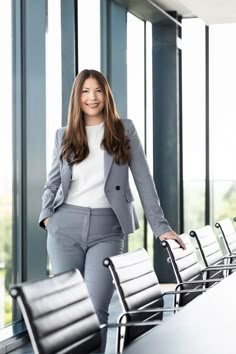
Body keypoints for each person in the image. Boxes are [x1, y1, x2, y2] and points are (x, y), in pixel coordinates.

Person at [39, 69, 185, 351]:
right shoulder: (64, 134)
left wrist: (161, 227)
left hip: (108, 230)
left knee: (97, 310)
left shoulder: (123, 129)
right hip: (64, 226)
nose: (92, 97)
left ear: (106, 94)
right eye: (85, 91)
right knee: (69, 312)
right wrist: (46, 217)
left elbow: (143, 179)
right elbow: (53, 181)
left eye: (97, 91)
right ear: (76, 97)